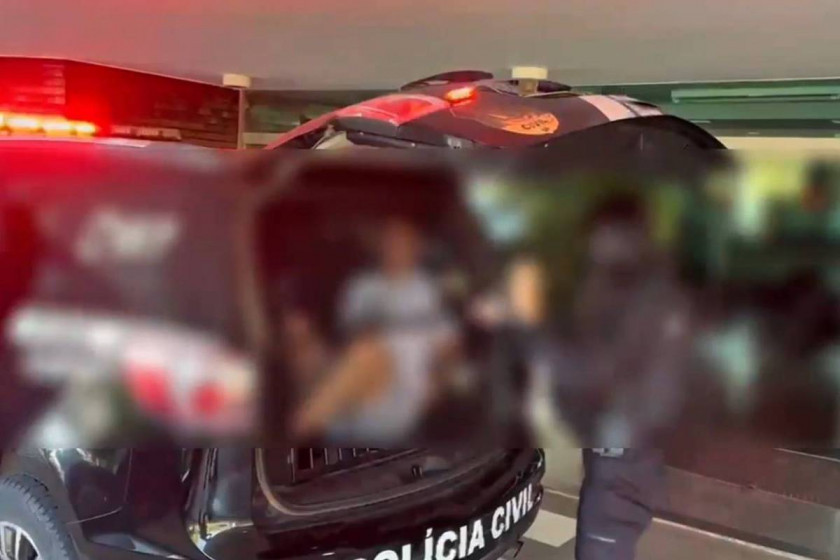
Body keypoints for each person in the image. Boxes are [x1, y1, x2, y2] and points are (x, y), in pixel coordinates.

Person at [291, 217, 459, 445]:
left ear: (416, 248)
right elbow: (348, 336)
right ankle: (313, 422)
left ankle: (302, 426)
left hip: (402, 388)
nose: (395, 248)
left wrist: (438, 382)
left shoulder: (428, 290)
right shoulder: (361, 285)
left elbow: (450, 347)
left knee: (368, 352)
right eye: (390, 242)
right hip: (357, 373)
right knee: (301, 336)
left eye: (403, 242)